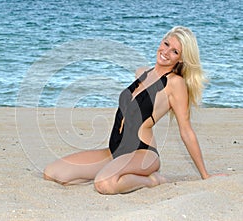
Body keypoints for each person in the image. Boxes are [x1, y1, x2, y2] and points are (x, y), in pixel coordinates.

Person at [43, 26, 225, 194]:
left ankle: (153, 180)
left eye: (175, 51)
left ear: (181, 59)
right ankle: (117, 172)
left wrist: (205, 175)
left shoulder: (175, 84)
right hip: (113, 152)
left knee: (104, 184)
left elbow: (186, 130)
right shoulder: (142, 72)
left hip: (143, 154)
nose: (166, 52)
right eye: (166, 44)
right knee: (52, 174)